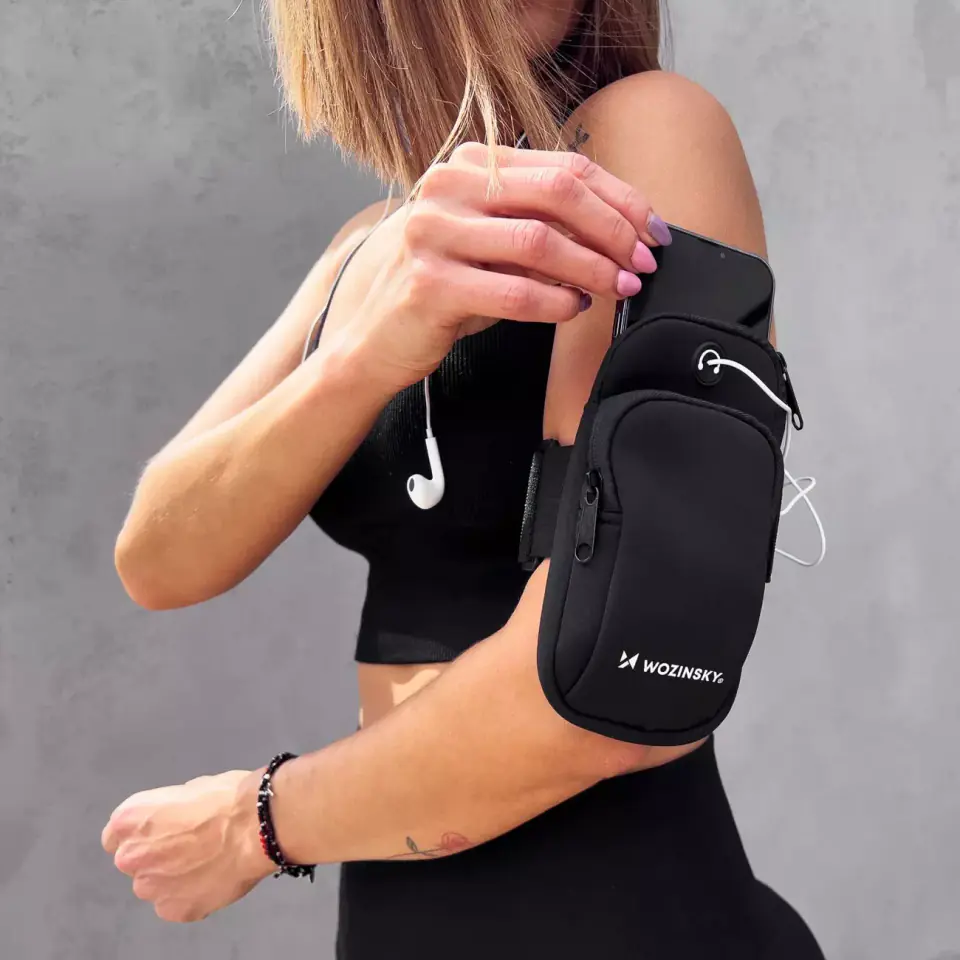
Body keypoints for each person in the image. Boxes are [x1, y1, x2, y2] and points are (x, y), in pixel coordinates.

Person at [101, 1, 826, 956]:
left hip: (626, 917)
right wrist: (366, 356)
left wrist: (258, 823)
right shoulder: (370, 246)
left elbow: (623, 679)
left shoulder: (645, 131)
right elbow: (160, 558)